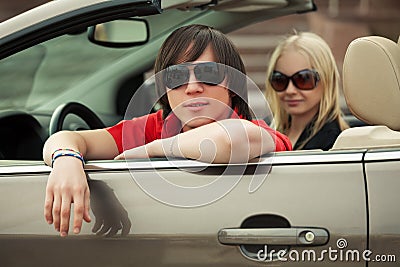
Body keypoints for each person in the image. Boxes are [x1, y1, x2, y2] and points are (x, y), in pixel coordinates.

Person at [43, 24, 292, 237]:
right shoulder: (153, 126)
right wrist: (66, 159)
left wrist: (154, 149)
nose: (193, 87)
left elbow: (233, 139)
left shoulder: (258, 132)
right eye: (176, 76)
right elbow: (66, 139)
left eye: (208, 73)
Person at [265, 31, 349, 150]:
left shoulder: (335, 143)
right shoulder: (265, 131)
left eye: (303, 79)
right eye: (280, 80)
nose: (290, 90)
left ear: (327, 80)